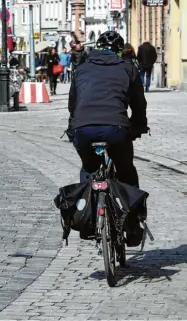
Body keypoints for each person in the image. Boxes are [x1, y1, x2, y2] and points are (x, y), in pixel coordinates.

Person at [66, 31, 148, 246]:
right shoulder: (128, 68)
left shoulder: (82, 68)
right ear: (120, 50)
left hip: (83, 129)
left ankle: (88, 220)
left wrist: (73, 128)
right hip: (116, 128)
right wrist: (138, 126)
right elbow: (139, 104)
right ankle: (132, 223)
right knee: (126, 170)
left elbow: (73, 104)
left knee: (90, 169)